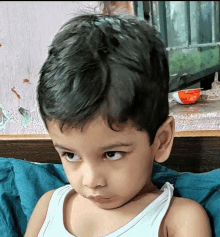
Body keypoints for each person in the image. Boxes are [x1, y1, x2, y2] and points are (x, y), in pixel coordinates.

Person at [24, 12, 211, 237]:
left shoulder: (178, 220)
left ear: (161, 142)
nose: (91, 181)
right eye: (70, 155)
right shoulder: (48, 208)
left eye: (112, 154)